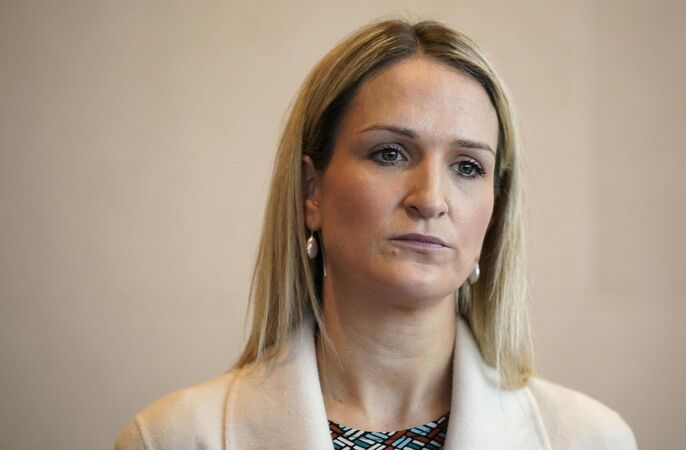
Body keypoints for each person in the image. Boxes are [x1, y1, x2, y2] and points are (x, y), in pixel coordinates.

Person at [115, 19, 637, 450]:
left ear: (496, 211)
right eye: (390, 153)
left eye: (467, 166)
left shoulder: (590, 440)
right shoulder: (170, 439)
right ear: (311, 190)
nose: (430, 199)